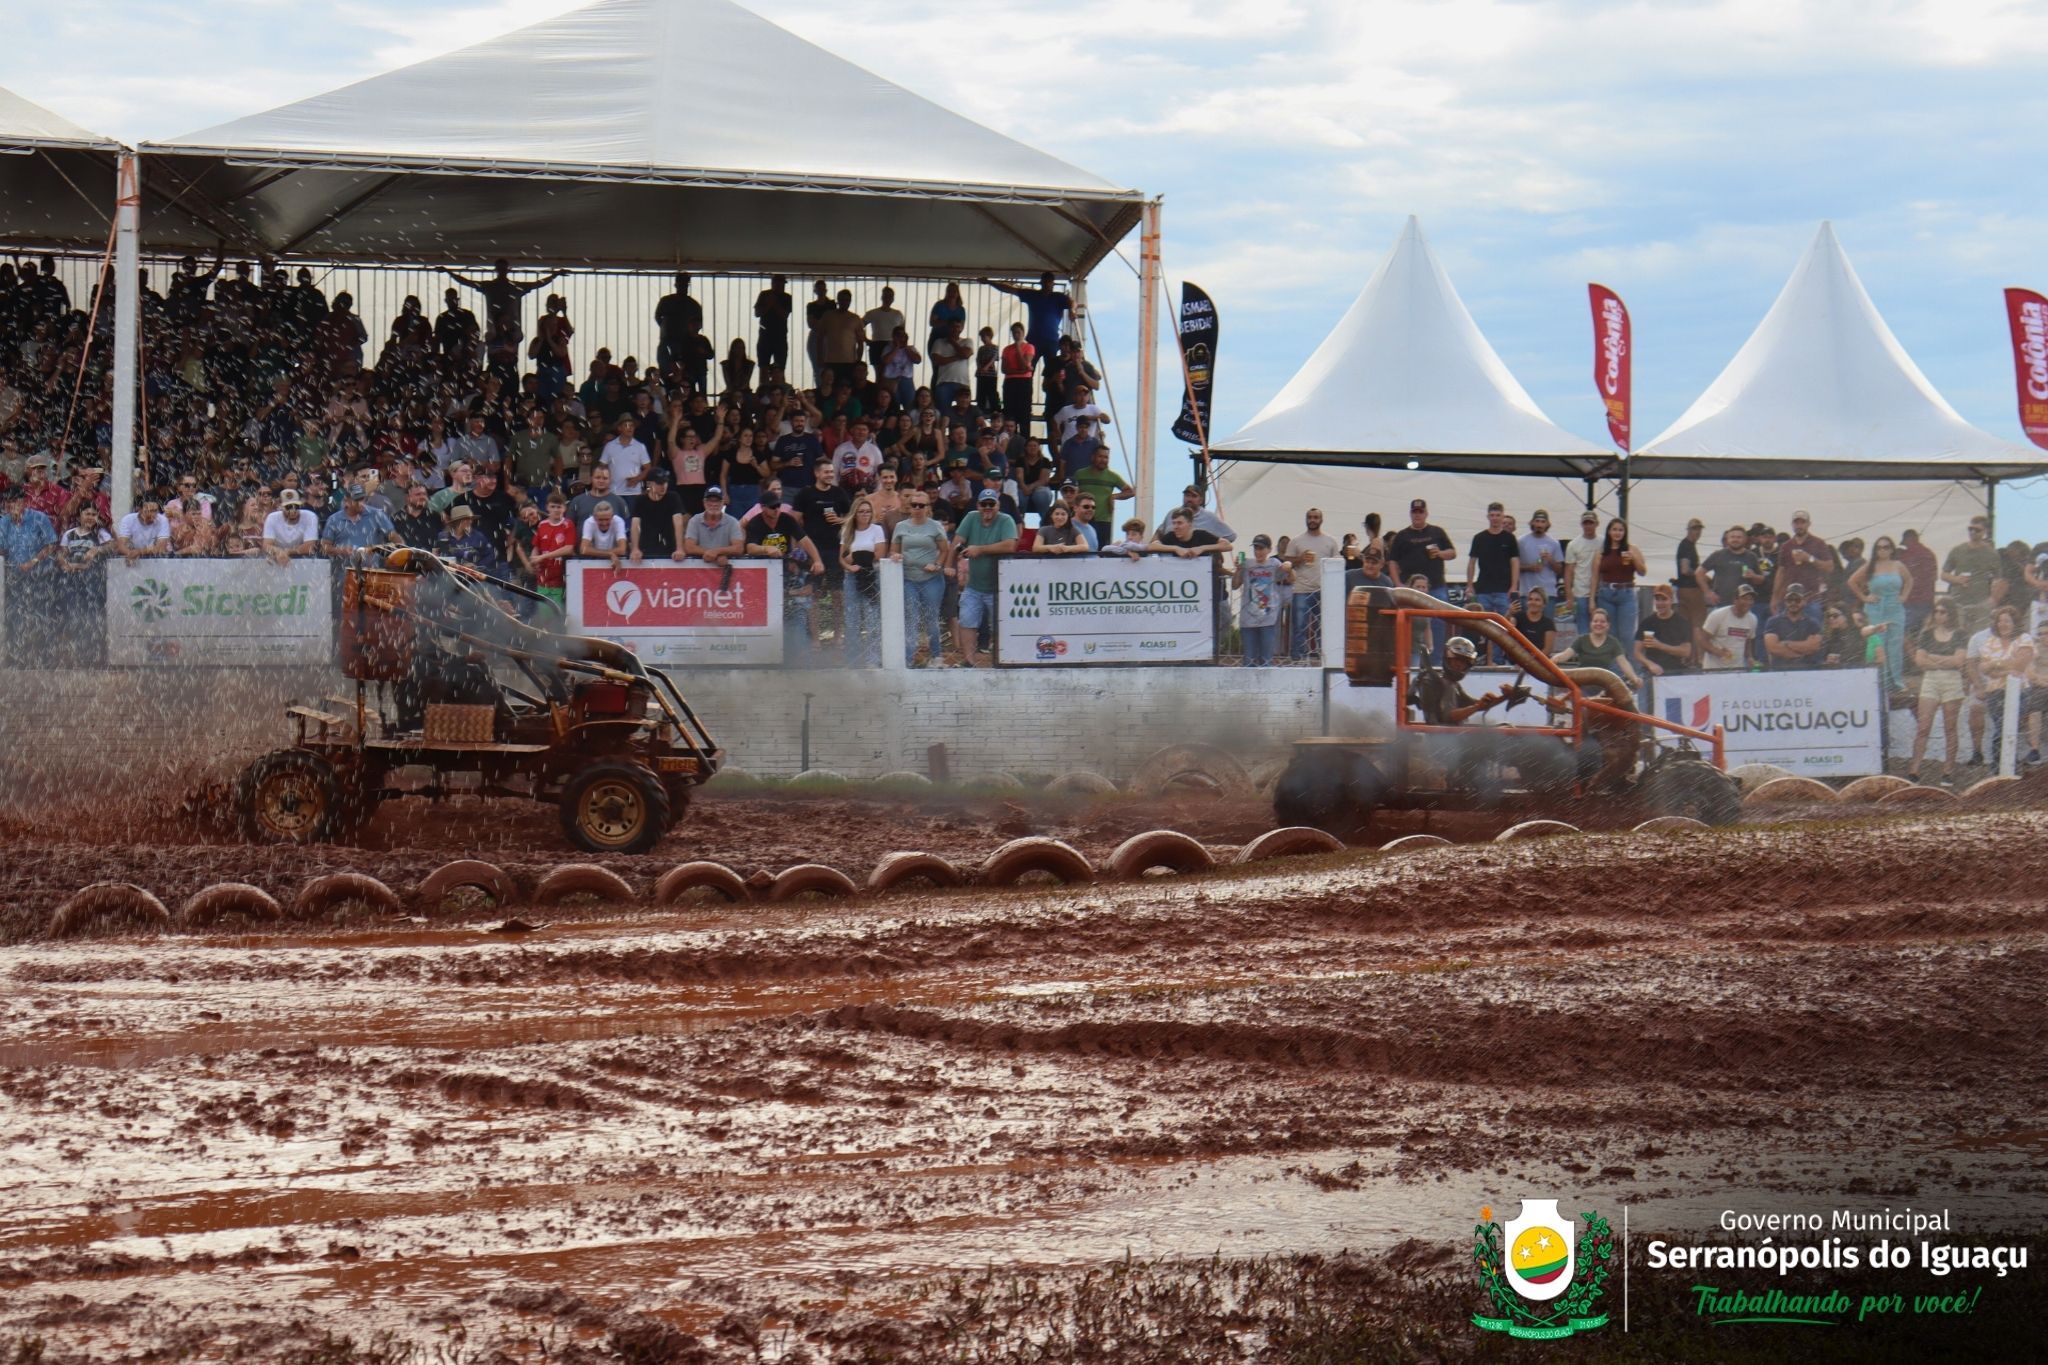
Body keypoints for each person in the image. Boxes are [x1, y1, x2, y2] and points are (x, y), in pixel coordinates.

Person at [952, 490, 1017, 668]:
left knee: (1000, 624)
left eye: (991, 504)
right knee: (966, 620)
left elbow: (1010, 545)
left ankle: (1002, 660)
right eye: (984, 504)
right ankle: (969, 660)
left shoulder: (1006, 520)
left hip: (1000, 586)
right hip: (974, 584)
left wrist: (980, 549)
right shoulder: (971, 517)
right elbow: (957, 540)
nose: (987, 507)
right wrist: (951, 563)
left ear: (998, 505)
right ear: (978, 505)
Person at [1388, 498, 1456, 661]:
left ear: (1426, 513)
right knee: (1410, 624)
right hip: (1411, 588)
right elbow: (1392, 561)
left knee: (1438, 622)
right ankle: (1410, 659)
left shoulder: (1437, 532)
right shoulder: (1402, 535)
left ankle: (1437, 661)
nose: (1417, 515)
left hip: (1435, 586)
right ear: (1410, 514)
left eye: (1420, 512)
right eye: (1414, 512)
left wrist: (1440, 553)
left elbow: (1453, 553)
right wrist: (1397, 584)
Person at [1909, 600, 1969, 784]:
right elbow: (1920, 661)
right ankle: (1914, 769)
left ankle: (1948, 770)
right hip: (1931, 680)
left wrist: (1933, 658)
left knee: (1950, 728)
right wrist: (1945, 660)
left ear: (1950, 613)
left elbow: (1959, 662)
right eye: (1936, 611)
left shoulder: (1959, 634)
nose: (1939, 615)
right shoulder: (1927, 634)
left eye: (1943, 612)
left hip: (1951, 680)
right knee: (1923, 727)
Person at [890, 488, 951, 666]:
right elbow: (894, 549)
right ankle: (908, 658)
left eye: (921, 505)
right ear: (909, 507)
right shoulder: (901, 527)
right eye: (913, 505)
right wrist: (895, 555)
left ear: (927, 507)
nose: (917, 508)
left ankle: (936, 656)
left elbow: (945, 549)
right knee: (911, 618)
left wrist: (937, 564)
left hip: (931, 579)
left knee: (931, 618)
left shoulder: (935, 526)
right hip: (909, 578)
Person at [1847, 535, 1911, 697]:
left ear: (1892, 549)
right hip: (1876, 607)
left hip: (1895, 607)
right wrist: (1864, 597)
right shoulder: (1870, 566)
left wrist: (1904, 596)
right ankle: (1880, 681)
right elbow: (1852, 581)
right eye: (1879, 547)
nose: (1883, 550)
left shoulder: (1898, 565)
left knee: (1895, 645)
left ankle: (1896, 681)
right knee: (1878, 645)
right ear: (1875, 550)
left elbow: (1909, 580)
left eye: (1886, 547)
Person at [1971, 604, 2033, 767]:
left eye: (2007, 621)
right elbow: (1984, 668)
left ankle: (2002, 765)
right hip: (1995, 691)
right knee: (2002, 727)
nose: (2002, 624)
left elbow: (2020, 665)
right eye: (2000, 621)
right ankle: (2003, 765)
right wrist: (2006, 666)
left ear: (2015, 623)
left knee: (2009, 728)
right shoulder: (1991, 641)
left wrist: (1996, 664)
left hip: (2019, 690)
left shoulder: (2024, 638)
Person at [1465, 501, 1520, 662]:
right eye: (1492, 515)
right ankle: (1480, 658)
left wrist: (1514, 586)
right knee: (1482, 627)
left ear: (1503, 516)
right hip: (1483, 589)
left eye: (1498, 515)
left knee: (1503, 626)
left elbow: (1515, 562)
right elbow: (1472, 562)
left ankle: (1496, 659)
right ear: (1488, 516)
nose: (1495, 518)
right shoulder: (1479, 538)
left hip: (1503, 590)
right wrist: (1469, 584)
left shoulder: (1509, 538)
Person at [986, 272, 1072, 372]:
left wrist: (1072, 310)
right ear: (1041, 283)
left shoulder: (1059, 297)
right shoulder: (1033, 295)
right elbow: (1010, 289)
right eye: (1045, 282)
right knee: (1027, 369)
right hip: (1035, 340)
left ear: (1053, 283)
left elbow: (1072, 302)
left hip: (1051, 340)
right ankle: (1027, 386)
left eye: (1049, 282)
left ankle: (1050, 386)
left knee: (1052, 371)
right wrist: (990, 282)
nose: (1047, 285)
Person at [838, 495, 886, 667]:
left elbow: (879, 554)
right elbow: (843, 558)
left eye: (868, 511)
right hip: (852, 576)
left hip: (872, 576)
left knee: (872, 618)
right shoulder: (847, 531)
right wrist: (851, 565)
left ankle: (873, 659)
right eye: (861, 512)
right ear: (855, 513)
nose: (865, 514)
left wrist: (856, 556)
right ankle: (853, 659)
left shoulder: (877, 530)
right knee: (852, 620)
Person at [1287, 508, 1341, 662]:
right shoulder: (1296, 541)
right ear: (1305, 519)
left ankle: (1326, 660)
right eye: (1310, 517)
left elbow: (1337, 563)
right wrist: (1300, 559)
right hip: (1301, 589)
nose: (1312, 520)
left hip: (1324, 590)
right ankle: (1298, 660)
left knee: (1324, 628)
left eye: (1316, 517)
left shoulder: (1330, 541)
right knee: (1299, 626)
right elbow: (1287, 561)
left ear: (1321, 520)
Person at [1235, 535, 1293, 666]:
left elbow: (1291, 579)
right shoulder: (1247, 564)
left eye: (1261, 548)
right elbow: (1235, 585)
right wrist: (1238, 569)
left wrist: (1289, 568)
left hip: (1268, 616)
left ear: (1269, 550)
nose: (1258, 552)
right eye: (1256, 548)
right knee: (1249, 659)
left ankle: (1266, 686)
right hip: (1248, 617)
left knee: (1266, 659)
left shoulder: (1274, 564)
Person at [1943, 516, 2006, 634]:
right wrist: (1956, 579)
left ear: (1985, 532)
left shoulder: (1991, 554)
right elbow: (1943, 574)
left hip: (1981, 603)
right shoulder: (1957, 550)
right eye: (1970, 529)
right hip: (1958, 602)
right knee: (1957, 635)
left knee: (1979, 637)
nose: (1972, 532)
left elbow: (1998, 579)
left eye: (1977, 530)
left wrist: (1993, 599)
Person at [1552, 606, 1641, 689]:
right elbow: (1565, 655)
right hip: (1583, 684)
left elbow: (1623, 663)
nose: (1598, 624)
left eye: (1602, 622)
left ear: (1608, 625)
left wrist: (1634, 678)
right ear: (1591, 624)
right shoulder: (1582, 640)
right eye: (1595, 621)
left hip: (1604, 686)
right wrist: (1552, 660)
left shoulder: (1613, 642)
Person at [1595, 518, 1646, 660]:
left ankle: (1632, 669)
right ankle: (1614, 671)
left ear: (1625, 532)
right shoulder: (1601, 552)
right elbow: (1595, 577)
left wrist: (1634, 558)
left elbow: (1643, 572)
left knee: (1627, 634)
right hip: (1606, 592)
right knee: (1610, 634)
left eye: (1620, 530)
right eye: (1614, 529)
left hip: (1626, 592)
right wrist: (1593, 600)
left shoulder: (1632, 548)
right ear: (1609, 532)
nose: (1617, 533)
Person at [1635, 584, 1695, 693]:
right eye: (1657, 599)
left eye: (1664, 599)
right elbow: (1637, 652)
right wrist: (1650, 664)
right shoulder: (1647, 622)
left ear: (1671, 600)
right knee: (1645, 703)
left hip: (1674, 671)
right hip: (1651, 672)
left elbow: (1686, 652)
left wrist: (1660, 645)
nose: (1660, 603)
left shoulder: (1681, 622)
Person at [529, 493, 577, 611]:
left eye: (559, 507)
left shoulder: (568, 525)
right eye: (553, 506)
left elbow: (569, 548)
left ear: (564, 508)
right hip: (543, 576)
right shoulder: (542, 525)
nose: (556, 510)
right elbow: (536, 546)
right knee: (543, 610)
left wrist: (543, 557)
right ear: (547, 507)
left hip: (560, 575)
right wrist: (533, 559)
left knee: (557, 611)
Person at [630, 465, 686, 562]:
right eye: (659, 483)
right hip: (646, 548)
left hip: (670, 548)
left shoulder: (673, 497)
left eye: (665, 482)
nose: (663, 486)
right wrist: (635, 548)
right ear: (649, 484)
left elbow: (678, 523)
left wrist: (679, 548)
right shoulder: (640, 500)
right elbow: (635, 525)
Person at [1560, 509, 1602, 637]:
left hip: (1601, 591)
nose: (1588, 526)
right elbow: (1569, 571)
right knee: (1583, 630)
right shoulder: (1573, 544)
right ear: (1582, 524)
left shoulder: (1604, 542)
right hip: (1580, 592)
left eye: (1591, 523)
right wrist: (1569, 595)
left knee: (1601, 626)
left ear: (1597, 524)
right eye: (1586, 523)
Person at [1762, 584, 1824, 669]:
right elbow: (1772, 648)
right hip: (1780, 672)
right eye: (1790, 600)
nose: (1793, 603)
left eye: (1797, 600)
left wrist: (1786, 644)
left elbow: (1813, 647)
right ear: (1785, 601)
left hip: (1806, 672)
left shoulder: (1813, 623)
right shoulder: (1773, 622)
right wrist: (1802, 651)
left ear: (1804, 601)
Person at [1700, 584, 1761, 671]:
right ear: (1735, 600)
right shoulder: (1718, 615)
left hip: (1738, 671)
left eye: (1751, 599)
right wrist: (1719, 652)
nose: (1748, 602)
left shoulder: (1752, 619)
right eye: (1744, 599)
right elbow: (1703, 641)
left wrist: (1750, 658)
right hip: (1714, 670)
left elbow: (1747, 642)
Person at [682, 487, 745, 569]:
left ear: (723, 503)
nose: (714, 504)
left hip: (724, 567)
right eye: (710, 500)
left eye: (717, 501)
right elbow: (689, 547)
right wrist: (714, 554)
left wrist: (717, 552)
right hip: (698, 568)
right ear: (704, 502)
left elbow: (739, 548)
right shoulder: (694, 520)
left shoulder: (733, 522)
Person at [261, 489, 321, 566]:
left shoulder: (310, 516)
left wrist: (287, 552)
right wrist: (278, 552)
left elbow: (309, 546)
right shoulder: (272, 518)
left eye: (296, 506)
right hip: (276, 558)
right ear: (280, 506)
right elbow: (266, 545)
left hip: (303, 560)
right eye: (288, 507)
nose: (293, 510)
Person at [1898, 528, 1939, 638]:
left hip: (1910, 600)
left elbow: (1902, 578)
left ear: (1908, 539)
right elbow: (1934, 577)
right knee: (1923, 634)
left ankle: (1912, 655)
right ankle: (1919, 652)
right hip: (1927, 600)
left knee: (1903, 633)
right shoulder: (1929, 554)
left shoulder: (1905, 556)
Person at [1518, 509, 1562, 605]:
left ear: (1547, 524)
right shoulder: (1521, 541)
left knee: (1547, 620)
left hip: (1548, 593)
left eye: (1542, 522)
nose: (1539, 525)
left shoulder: (1554, 543)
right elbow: (1514, 567)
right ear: (1532, 523)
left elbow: (1560, 570)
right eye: (1537, 521)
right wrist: (1529, 567)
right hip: (1527, 593)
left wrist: (1551, 560)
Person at [754, 275, 793, 379]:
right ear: (773, 283)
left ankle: (780, 391)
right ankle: (763, 391)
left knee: (780, 368)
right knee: (763, 368)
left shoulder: (787, 297)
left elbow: (785, 315)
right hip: (765, 335)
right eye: (778, 283)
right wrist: (768, 304)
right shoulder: (764, 294)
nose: (781, 286)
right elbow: (757, 313)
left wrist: (774, 303)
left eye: (782, 284)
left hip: (780, 337)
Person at [1673, 517, 1708, 627]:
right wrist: (1700, 575)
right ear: (1688, 530)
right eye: (1694, 529)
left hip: (1684, 590)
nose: (1697, 532)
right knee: (1698, 624)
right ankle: (1695, 644)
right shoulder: (1686, 546)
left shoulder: (1689, 545)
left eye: (1699, 529)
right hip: (1691, 590)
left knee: (1685, 625)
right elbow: (1685, 569)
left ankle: (1686, 644)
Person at [1512, 587, 1556, 655]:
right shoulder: (1518, 617)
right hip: (1515, 659)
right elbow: (1505, 631)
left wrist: (1530, 661)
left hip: (1536, 662)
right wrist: (1509, 613)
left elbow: (1548, 649)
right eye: (1530, 599)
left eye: (1537, 600)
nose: (1533, 602)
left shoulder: (1548, 623)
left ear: (1544, 604)